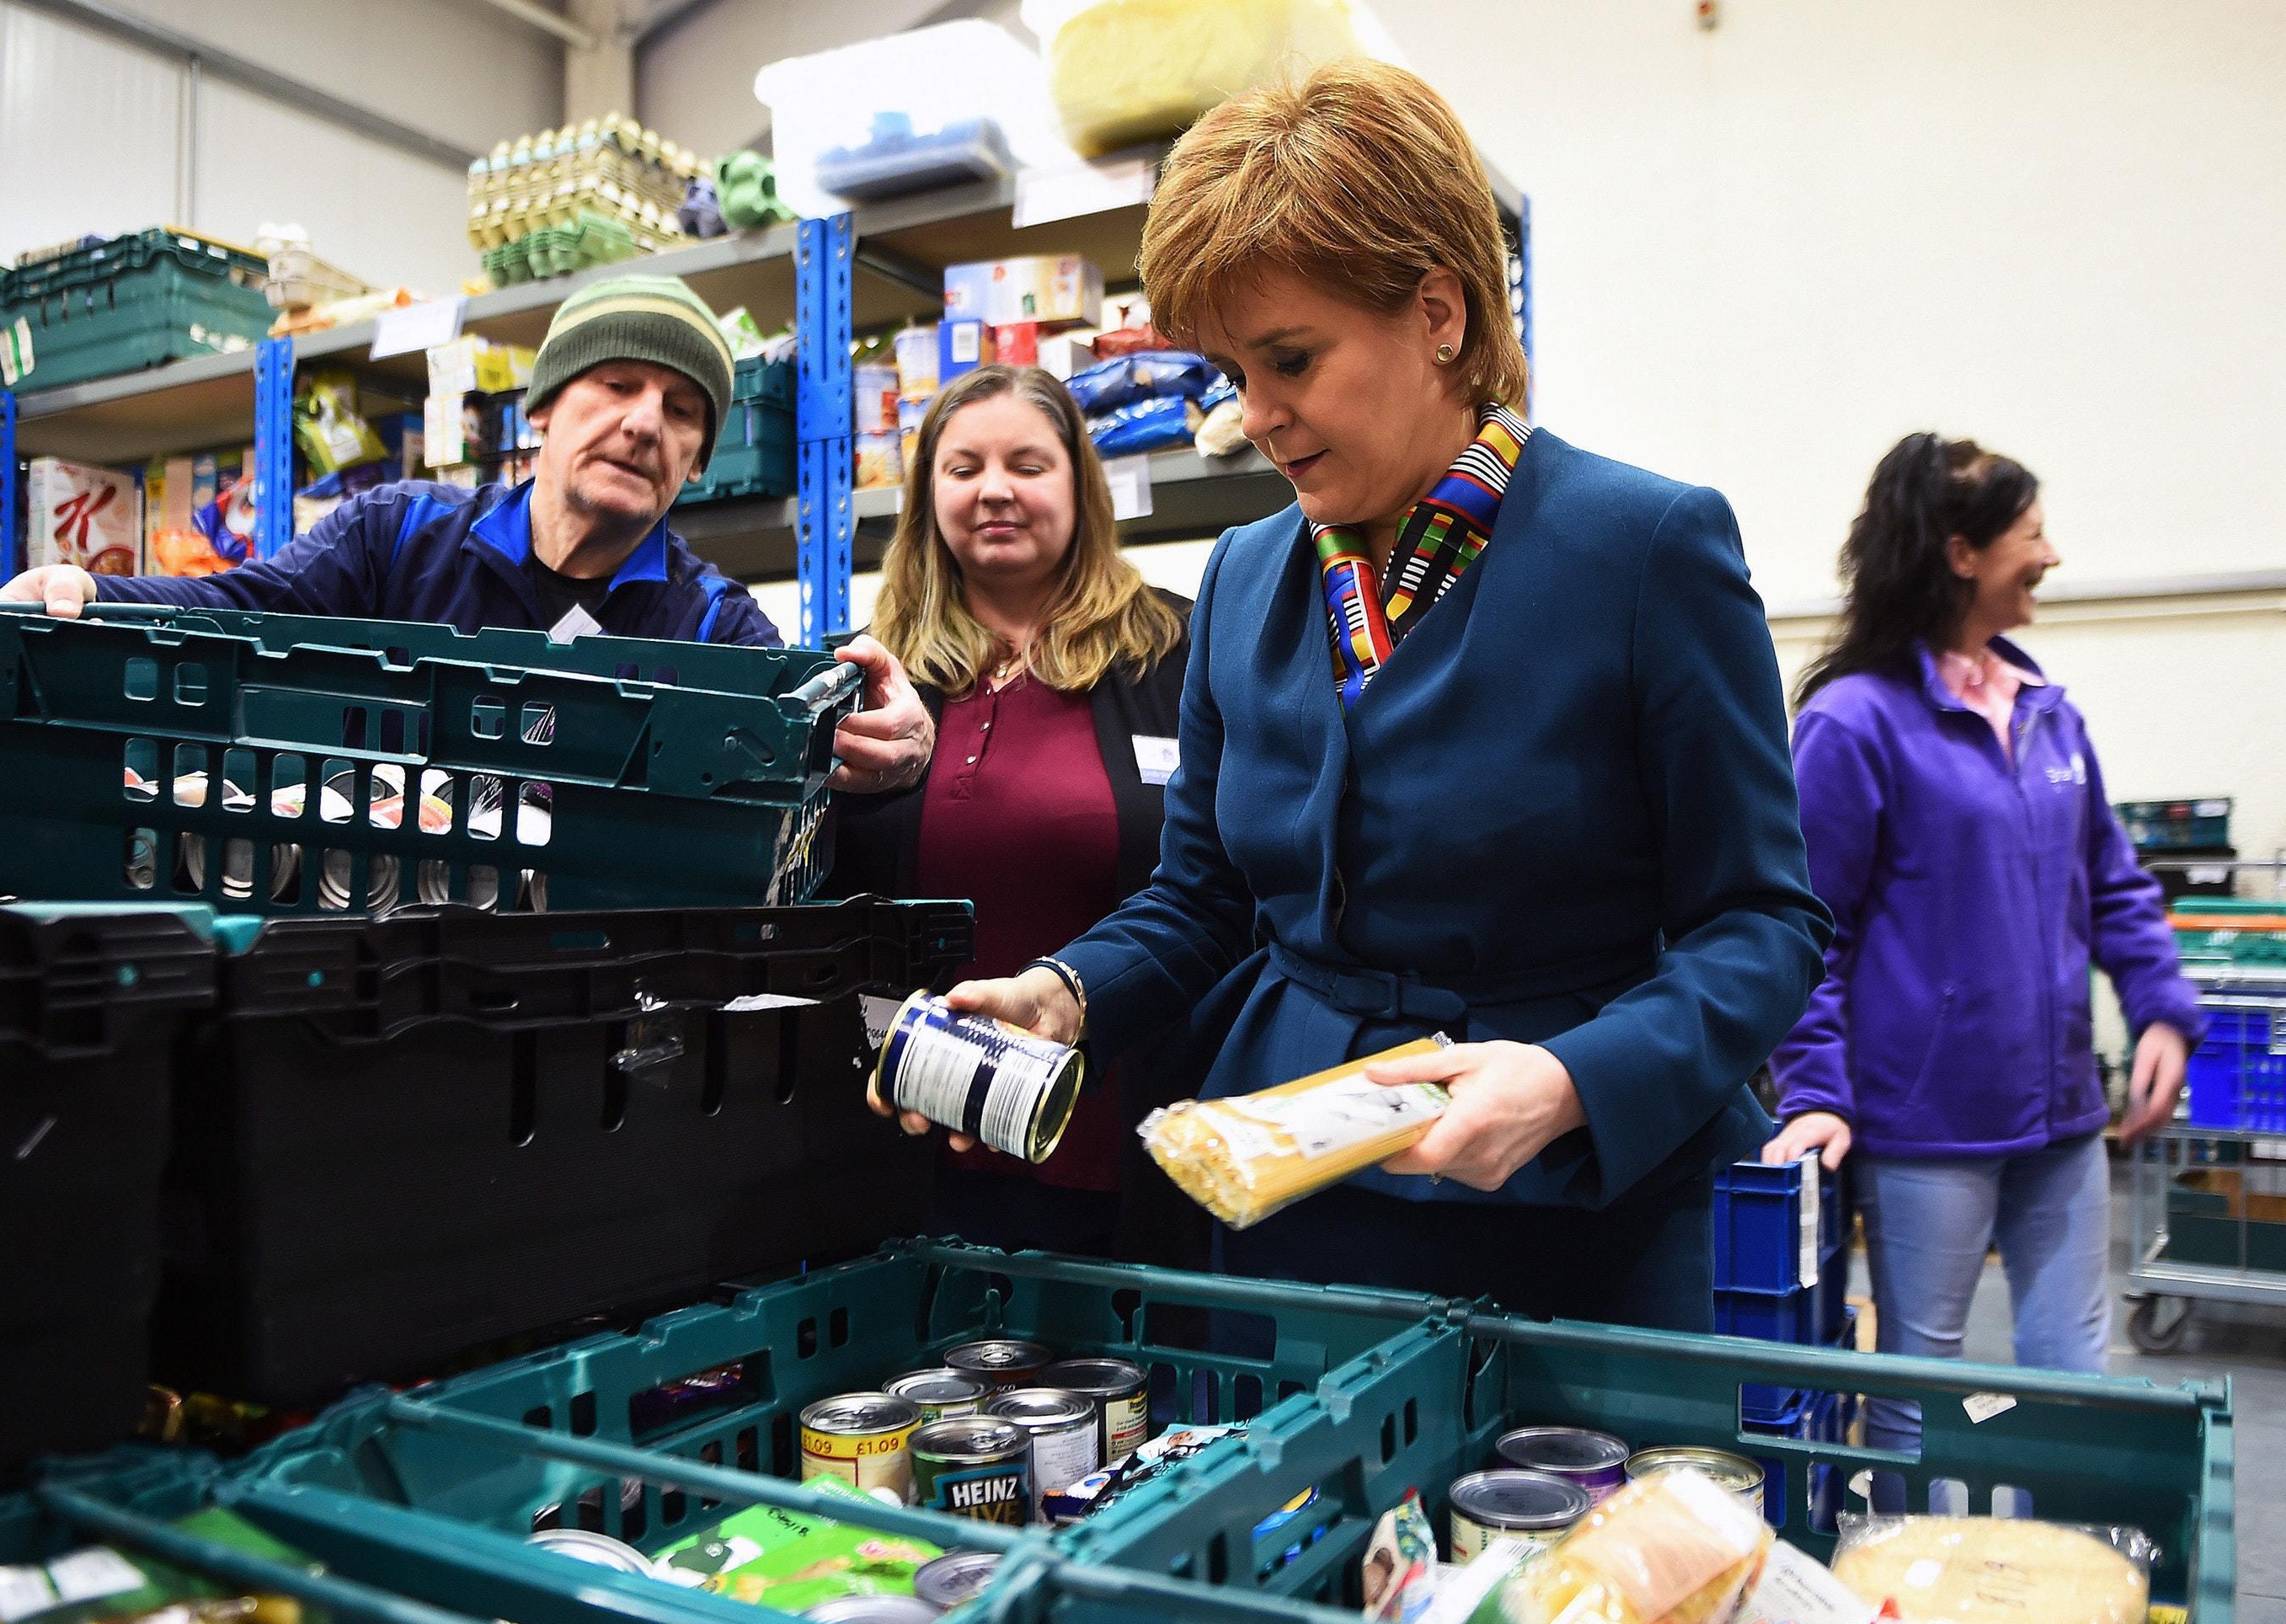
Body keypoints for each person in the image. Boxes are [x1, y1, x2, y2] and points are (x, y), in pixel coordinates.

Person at [879, 60, 1829, 1330]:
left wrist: (1570, 1080)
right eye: (1229, 371)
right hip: (1293, 1194)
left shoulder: (1644, 549)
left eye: (1291, 361)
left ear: (1438, 311)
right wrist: (1067, 993)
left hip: (1586, 1206)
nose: (1255, 418)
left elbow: (1762, 920)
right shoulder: (1248, 572)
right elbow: (1205, 895)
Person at [0, 274, 931, 794]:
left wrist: (892, 741)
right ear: (543, 414)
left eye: (683, 411)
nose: (646, 423)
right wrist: (91, 592)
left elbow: (808, 747)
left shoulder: (717, 627)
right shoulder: (397, 534)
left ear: (695, 464)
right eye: (615, 386)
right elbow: (245, 607)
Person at [1765, 434, 2201, 1461]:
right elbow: (1802, 930)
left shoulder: (2049, 712)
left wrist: (2161, 1007)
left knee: (2070, 1377)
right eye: (2033, 533)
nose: (2050, 555)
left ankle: (2060, 1601)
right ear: (1962, 552)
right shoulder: (1854, 723)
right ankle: (1911, 1602)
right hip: (1926, 1124)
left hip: (2060, 1111)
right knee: (1923, 1378)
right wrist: (1816, 1088)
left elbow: (2116, 882)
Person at [831, 362, 1209, 1267]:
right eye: (964, 468)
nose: (995, 488)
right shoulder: (866, 680)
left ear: (1079, 484)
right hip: (918, 1146)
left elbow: (1219, 895)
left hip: (1127, 1149)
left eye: (1028, 463)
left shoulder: (1182, 651)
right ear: (928, 498)